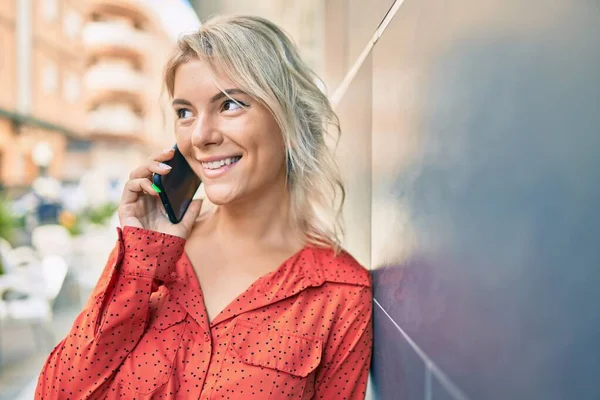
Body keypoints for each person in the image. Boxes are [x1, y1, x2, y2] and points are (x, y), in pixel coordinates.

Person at [35, 15, 372, 399]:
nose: (200, 136)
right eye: (184, 112)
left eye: (229, 105)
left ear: (290, 118)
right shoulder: (150, 257)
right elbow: (56, 392)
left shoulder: (340, 293)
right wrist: (140, 261)